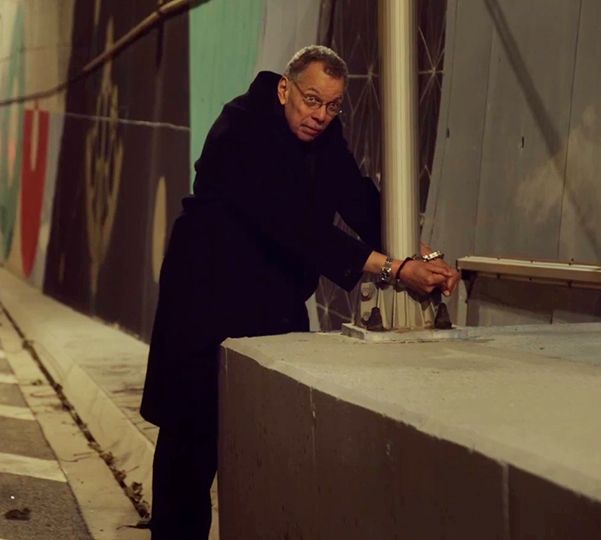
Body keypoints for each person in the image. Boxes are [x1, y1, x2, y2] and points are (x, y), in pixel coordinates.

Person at [139, 45, 460, 538]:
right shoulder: (239, 129)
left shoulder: (323, 136)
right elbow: (294, 226)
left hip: (270, 307)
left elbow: (357, 197)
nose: (321, 115)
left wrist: (420, 253)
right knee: (190, 450)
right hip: (204, 308)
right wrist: (395, 269)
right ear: (284, 89)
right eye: (312, 100)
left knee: (268, 446)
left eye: (333, 105)